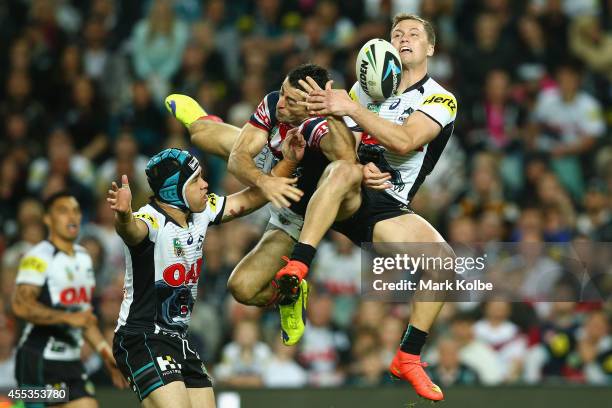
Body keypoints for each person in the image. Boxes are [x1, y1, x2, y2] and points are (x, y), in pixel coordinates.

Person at [275, 13, 458, 401]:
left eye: (413, 34)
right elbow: (346, 143)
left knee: (442, 261)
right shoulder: (367, 86)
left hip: (386, 205)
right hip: (339, 185)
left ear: (430, 48)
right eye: (397, 33)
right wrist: (358, 163)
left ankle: (408, 356)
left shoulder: (440, 98)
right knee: (341, 167)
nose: (404, 38)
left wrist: (350, 108)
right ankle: (300, 263)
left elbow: (406, 141)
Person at [166, 63, 357, 346]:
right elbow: (237, 159)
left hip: (298, 214)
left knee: (242, 287)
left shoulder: (321, 127)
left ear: (311, 105)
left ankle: (291, 292)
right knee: (199, 134)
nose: (280, 103)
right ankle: (206, 120)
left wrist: (330, 112)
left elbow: (347, 159)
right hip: (272, 165)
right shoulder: (273, 103)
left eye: (290, 100)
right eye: (282, 92)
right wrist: (264, 181)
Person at [107, 133, 303, 407]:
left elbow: (254, 197)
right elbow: (131, 230)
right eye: (196, 179)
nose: (205, 184)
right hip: (142, 336)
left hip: (178, 339)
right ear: (175, 189)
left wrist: (291, 161)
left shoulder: (202, 212)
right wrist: (124, 215)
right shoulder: (149, 220)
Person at [12, 192, 126, 408]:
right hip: (38, 360)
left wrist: (105, 354)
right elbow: (20, 305)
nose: (71, 216)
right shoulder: (38, 257)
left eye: (75, 211)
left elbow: (84, 318)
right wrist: (66, 317)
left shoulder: (83, 258)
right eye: (63, 211)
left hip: (70, 362)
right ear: (48, 219)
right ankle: (17, 401)